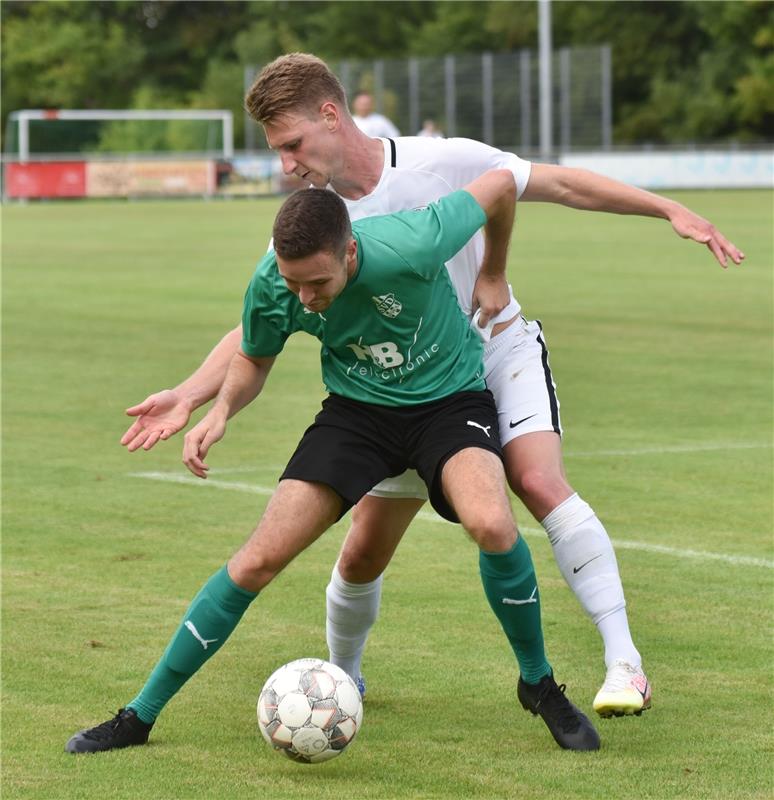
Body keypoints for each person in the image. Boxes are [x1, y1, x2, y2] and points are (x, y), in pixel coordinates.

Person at [118, 54, 744, 719]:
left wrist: (666, 208)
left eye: (292, 144)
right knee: (361, 550)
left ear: (331, 116)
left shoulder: (438, 163)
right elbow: (269, 314)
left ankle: (624, 663)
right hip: (401, 387)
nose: (286, 164)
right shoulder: (318, 220)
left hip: (494, 349)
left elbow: (555, 186)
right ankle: (344, 682)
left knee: (534, 483)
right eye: (277, 152)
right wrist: (192, 393)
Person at [66, 168, 602, 754]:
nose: (305, 298)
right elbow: (254, 356)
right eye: (294, 284)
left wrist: (493, 270)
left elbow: (501, 184)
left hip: (448, 404)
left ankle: (538, 684)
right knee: (257, 559)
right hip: (357, 416)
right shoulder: (275, 279)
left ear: (350, 251)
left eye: (317, 283)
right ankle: (139, 716)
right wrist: (219, 412)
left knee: (493, 524)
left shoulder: (412, 241)